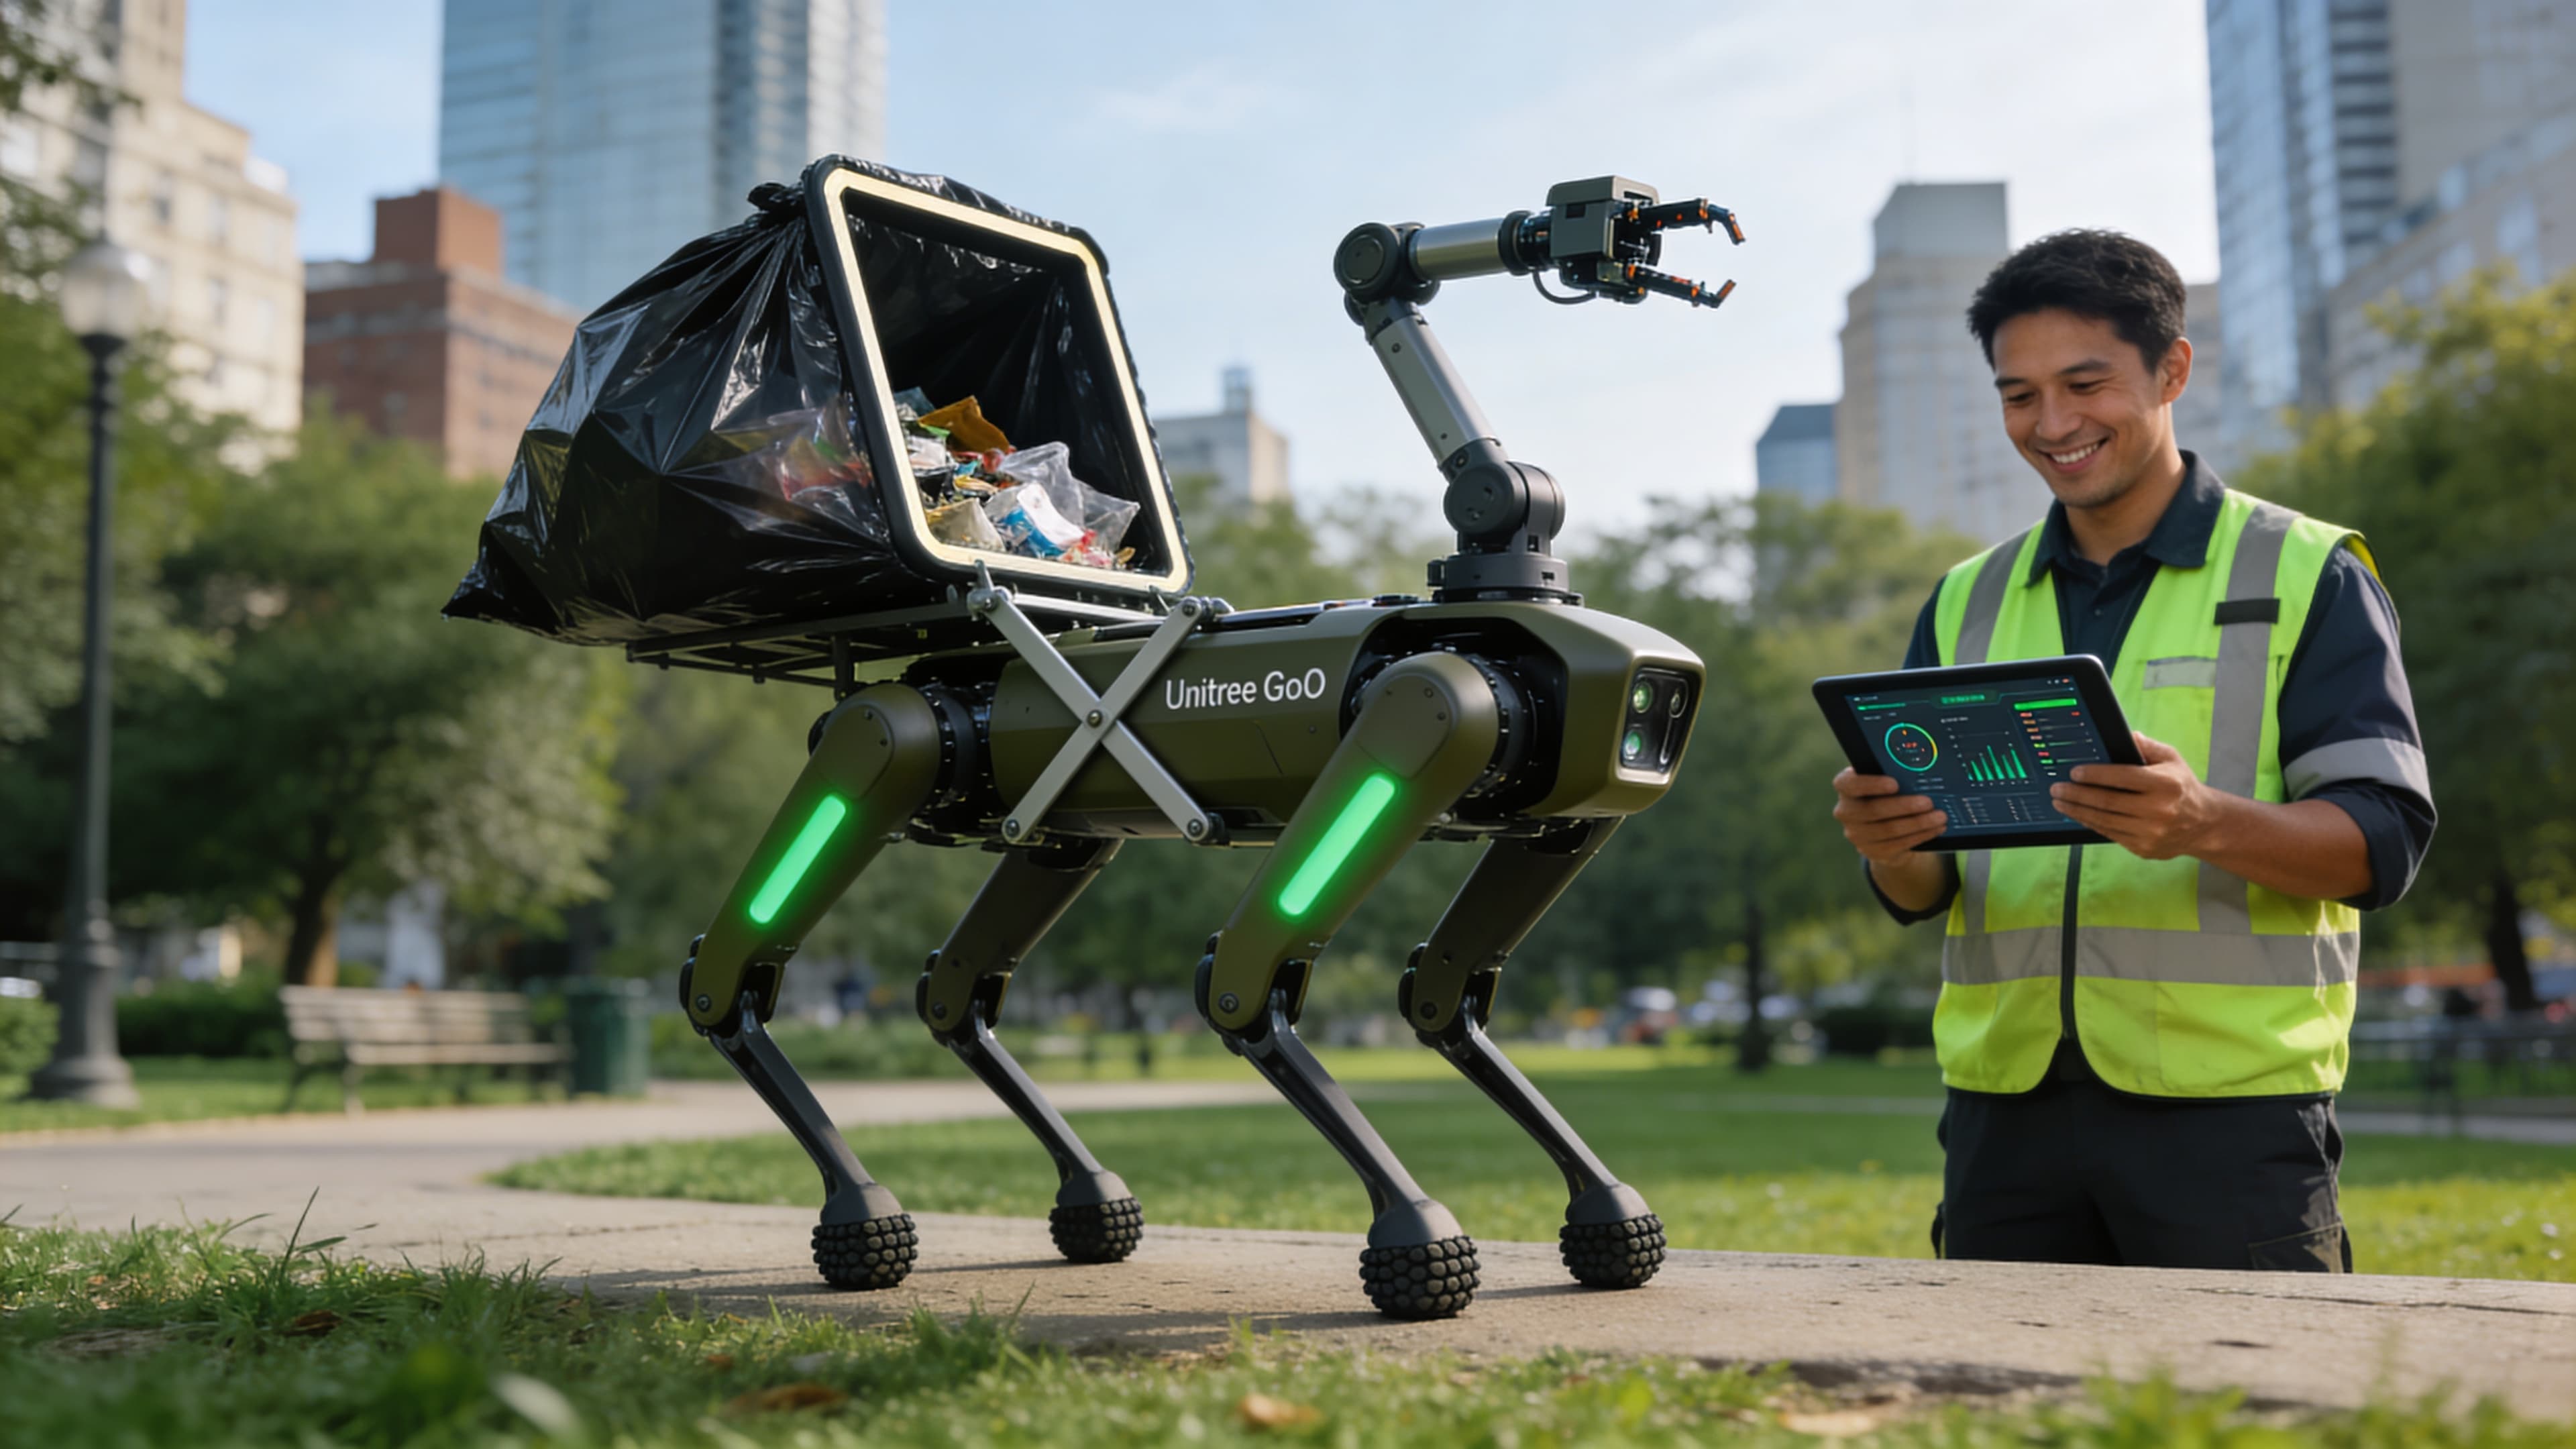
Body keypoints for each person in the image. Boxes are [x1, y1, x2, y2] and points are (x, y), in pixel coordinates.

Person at [1829, 231, 2434, 1272]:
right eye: (2018, 395)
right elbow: (1927, 889)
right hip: (2000, 1115)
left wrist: (2204, 822)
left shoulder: (2305, 573)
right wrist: (1890, 843)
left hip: (2229, 1118)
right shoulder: (1966, 599)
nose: (2052, 424)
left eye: (2084, 383)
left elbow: (2383, 844)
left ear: (2172, 371)